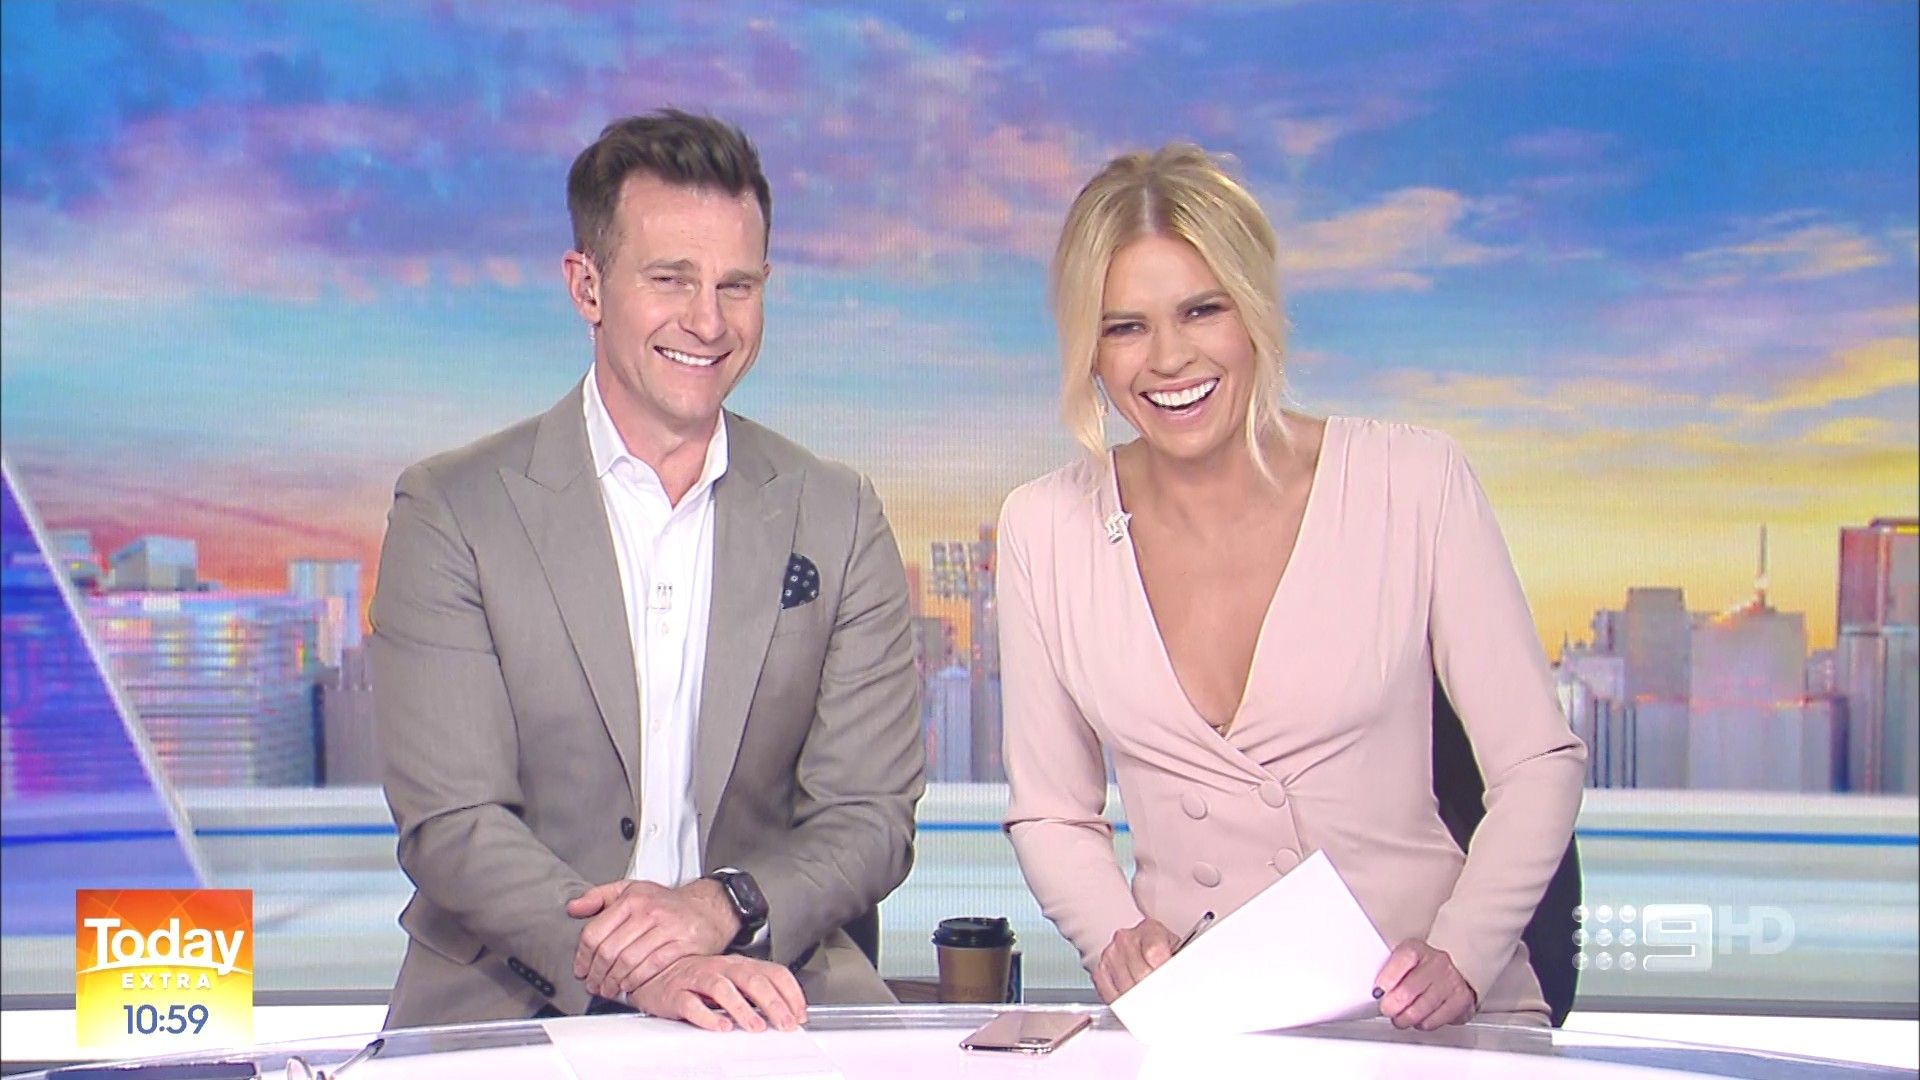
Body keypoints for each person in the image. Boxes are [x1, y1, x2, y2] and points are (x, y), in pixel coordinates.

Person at [998, 144, 1587, 1029]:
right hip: (1199, 1021)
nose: (1168, 358)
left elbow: (1537, 763)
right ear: (1090, 350)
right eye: (1125, 327)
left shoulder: (1412, 481)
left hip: (1425, 1011)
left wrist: (1464, 953)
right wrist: (1113, 935)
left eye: (1202, 311)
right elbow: (1051, 812)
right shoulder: (1042, 527)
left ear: (1255, 312)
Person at [371, 110, 924, 1032]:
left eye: (737, 285)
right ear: (586, 286)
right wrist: (645, 968)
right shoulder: (452, 510)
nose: (707, 321)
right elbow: (453, 821)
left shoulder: (839, 513)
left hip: (768, 978)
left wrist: (724, 906)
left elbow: (871, 816)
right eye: (671, 279)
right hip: (513, 988)